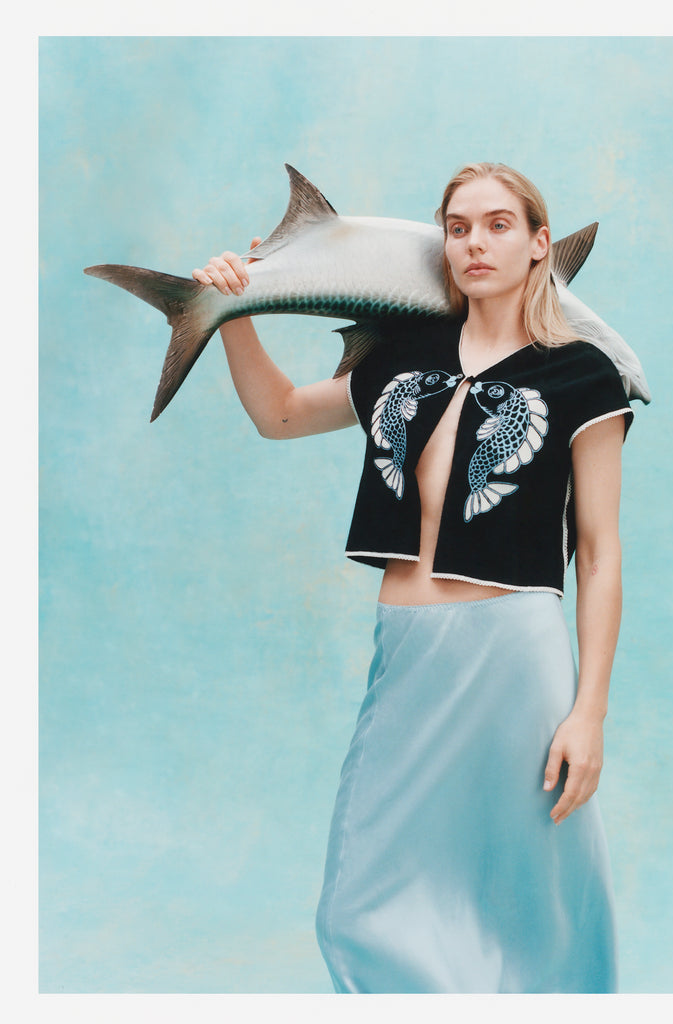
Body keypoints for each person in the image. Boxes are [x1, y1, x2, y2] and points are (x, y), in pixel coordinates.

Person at [192, 163, 635, 993]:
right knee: (359, 902)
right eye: (458, 226)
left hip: (517, 651)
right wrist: (228, 313)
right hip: (407, 645)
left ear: (540, 243)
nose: (475, 242)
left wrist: (589, 710)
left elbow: (600, 551)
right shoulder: (400, 356)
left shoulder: (584, 374)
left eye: (499, 224)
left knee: (530, 890)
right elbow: (279, 414)